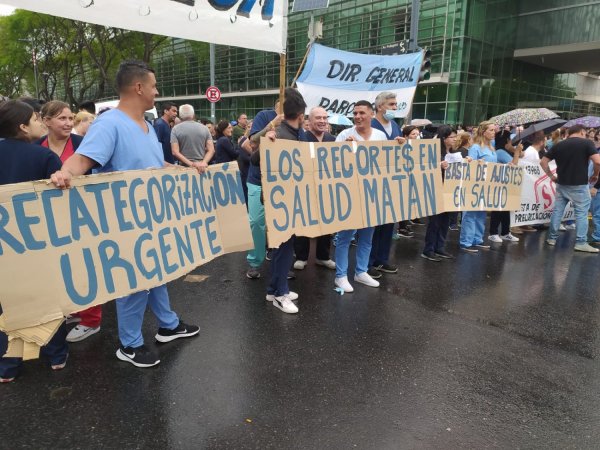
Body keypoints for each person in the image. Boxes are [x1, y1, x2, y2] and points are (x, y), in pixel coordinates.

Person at [50, 60, 200, 367]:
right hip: (125, 222)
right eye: (155, 86)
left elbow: (156, 166)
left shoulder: (146, 126)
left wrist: (187, 170)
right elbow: (81, 162)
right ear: (139, 87)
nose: (158, 92)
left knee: (158, 272)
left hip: (152, 218)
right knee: (133, 281)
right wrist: (62, 173)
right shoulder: (109, 124)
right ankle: (130, 344)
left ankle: (168, 325)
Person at [0, 100, 68, 382]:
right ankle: (56, 355)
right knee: (47, 299)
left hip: (4, 246)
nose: (41, 123)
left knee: (7, 303)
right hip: (39, 244)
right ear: (22, 127)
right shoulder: (45, 158)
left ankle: (8, 366)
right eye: (36, 119)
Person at [39, 101, 103, 343]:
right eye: (61, 119)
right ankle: (74, 309)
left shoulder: (82, 145)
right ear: (46, 121)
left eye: (70, 118)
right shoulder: (38, 147)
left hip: (83, 214)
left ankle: (91, 319)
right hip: (52, 219)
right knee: (62, 265)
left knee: (86, 264)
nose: (68, 123)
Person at [260, 88, 307, 314]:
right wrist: (268, 140)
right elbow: (253, 156)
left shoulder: (293, 133)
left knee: (282, 247)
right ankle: (280, 294)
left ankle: (274, 289)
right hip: (280, 201)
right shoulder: (279, 133)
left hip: (287, 198)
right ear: (301, 115)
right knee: (284, 247)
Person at [334, 100, 386, 293]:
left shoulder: (380, 135)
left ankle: (361, 271)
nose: (357, 117)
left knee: (367, 236)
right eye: (355, 113)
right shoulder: (344, 135)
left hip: (372, 194)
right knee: (345, 236)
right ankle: (340, 276)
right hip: (349, 193)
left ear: (372, 114)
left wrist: (400, 146)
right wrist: (346, 151)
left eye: (362, 113)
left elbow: (386, 163)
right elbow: (333, 164)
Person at [541, 124, 600, 253]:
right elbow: (598, 161)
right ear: (583, 132)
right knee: (581, 213)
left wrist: (551, 176)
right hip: (579, 185)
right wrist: (595, 175)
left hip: (562, 183)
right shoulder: (587, 144)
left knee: (557, 211)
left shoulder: (559, 144)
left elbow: (543, 161)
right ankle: (580, 242)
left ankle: (551, 238)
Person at [367, 91, 406, 278]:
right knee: (373, 227)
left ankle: (382, 259)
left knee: (388, 224)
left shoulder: (396, 126)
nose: (395, 108)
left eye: (395, 104)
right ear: (380, 106)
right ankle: (368, 262)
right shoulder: (370, 126)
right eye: (391, 104)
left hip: (392, 183)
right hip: (374, 183)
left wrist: (403, 144)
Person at [293, 106, 336, 271]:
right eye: (318, 118)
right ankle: (301, 256)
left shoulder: (332, 139)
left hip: (326, 189)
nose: (323, 121)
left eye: (325, 118)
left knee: (327, 223)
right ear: (308, 121)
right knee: (303, 222)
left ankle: (323, 256)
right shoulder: (300, 138)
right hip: (305, 188)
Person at [244, 102, 283, 280]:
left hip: (282, 181)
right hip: (258, 179)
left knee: (281, 223)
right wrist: (273, 124)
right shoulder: (264, 116)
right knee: (257, 222)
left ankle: (280, 261)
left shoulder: (295, 122)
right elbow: (252, 142)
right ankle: (255, 261)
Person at [459, 121, 498, 253]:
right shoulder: (475, 147)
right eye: (491, 130)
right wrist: (477, 162)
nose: (494, 132)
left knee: (481, 213)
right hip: (475, 185)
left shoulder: (492, 147)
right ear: (483, 132)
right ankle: (466, 241)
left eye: (494, 130)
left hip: (486, 185)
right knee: (470, 213)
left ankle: (477, 239)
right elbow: (469, 165)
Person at [421, 126, 453, 261]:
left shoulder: (455, 153)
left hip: (450, 190)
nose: (455, 139)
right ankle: (429, 249)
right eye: (452, 137)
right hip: (437, 190)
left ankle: (439, 247)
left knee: (445, 221)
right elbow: (425, 167)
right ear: (444, 139)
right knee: (435, 222)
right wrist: (438, 166)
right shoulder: (434, 153)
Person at [171, 104, 214, 171]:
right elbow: (211, 150)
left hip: (184, 167)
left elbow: (175, 152)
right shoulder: (205, 128)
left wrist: (192, 164)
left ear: (180, 116)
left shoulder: (175, 129)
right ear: (193, 114)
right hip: (202, 167)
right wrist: (204, 162)